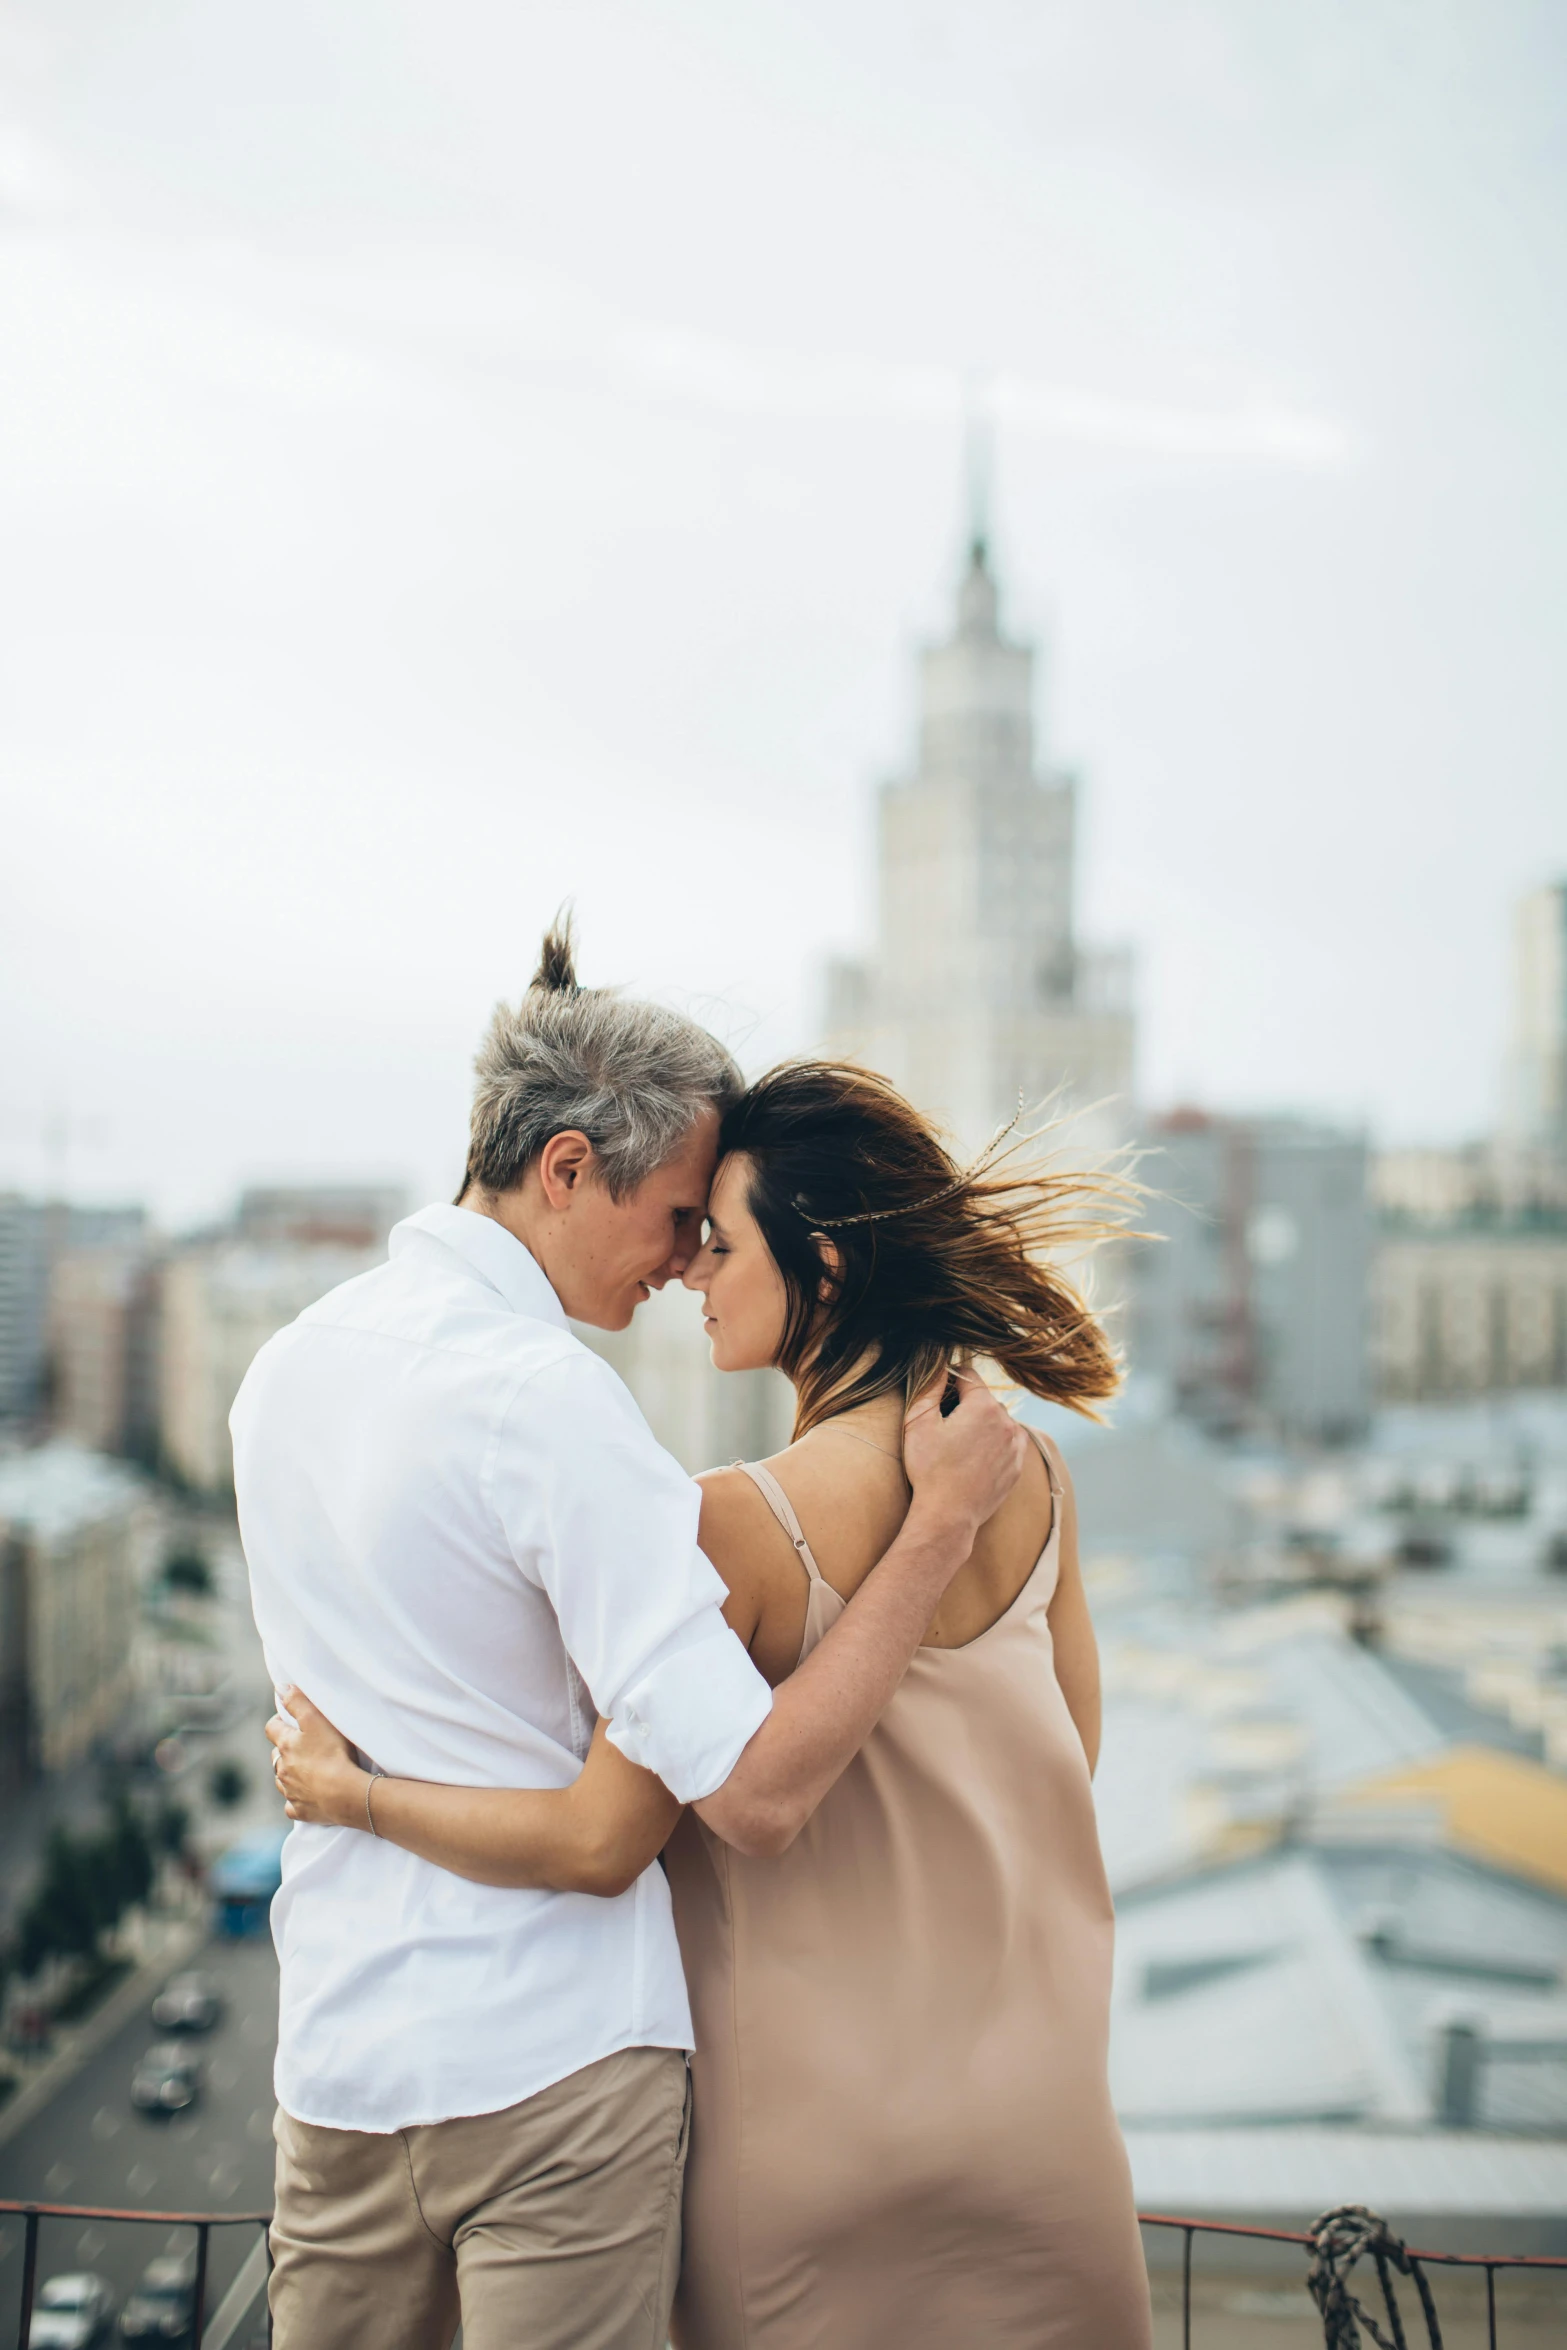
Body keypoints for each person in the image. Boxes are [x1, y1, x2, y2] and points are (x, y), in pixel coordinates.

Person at [269, 1056, 1154, 2348]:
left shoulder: (727, 1528)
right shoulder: (1033, 1483)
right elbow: (1066, 1763)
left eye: (718, 1240)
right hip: (1042, 2140)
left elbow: (593, 1833)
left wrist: (350, 1792)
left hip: (809, 2158)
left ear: (827, 1268)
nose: (687, 1268)